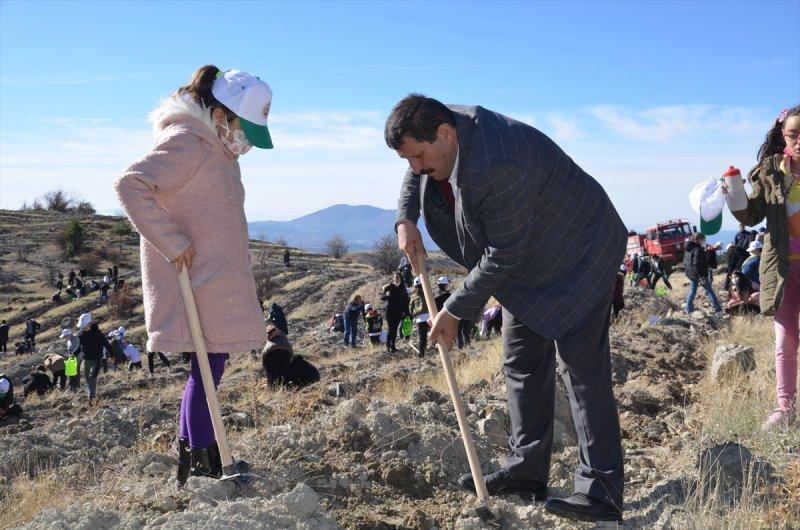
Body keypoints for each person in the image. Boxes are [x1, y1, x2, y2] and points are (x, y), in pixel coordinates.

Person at [387, 95, 626, 521]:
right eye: (409, 159)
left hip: (580, 252)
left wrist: (455, 309)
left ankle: (601, 491)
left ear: (445, 134)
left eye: (420, 156)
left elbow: (503, 253)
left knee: (581, 370)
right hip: (530, 262)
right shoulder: (438, 128)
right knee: (521, 362)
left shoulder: (500, 163)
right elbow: (414, 170)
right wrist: (405, 219)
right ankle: (526, 472)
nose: (416, 167)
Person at [115, 65, 273, 483]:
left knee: (207, 368)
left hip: (212, 280)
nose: (246, 143)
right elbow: (130, 185)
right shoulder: (189, 142)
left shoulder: (214, 148)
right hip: (195, 279)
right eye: (243, 130)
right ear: (220, 115)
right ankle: (204, 461)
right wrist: (171, 241)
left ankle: (195, 458)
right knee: (207, 368)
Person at [722, 106, 800, 429]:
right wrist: (734, 194)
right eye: (794, 134)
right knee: (785, 340)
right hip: (782, 269)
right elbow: (752, 214)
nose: (799, 140)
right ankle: (785, 409)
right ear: (783, 135)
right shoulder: (770, 171)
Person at [71, 312, 112, 402]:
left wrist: (112, 355)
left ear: (89, 323)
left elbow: (106, 343)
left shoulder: (96, 333)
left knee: (92, 377)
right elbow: (80, 347)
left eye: (84, 325)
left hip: (97, 358)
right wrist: (73, 354)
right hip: (86, 359)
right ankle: (90, 395)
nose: (82, 327)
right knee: (87, 379)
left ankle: (91, 397)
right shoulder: (81, 334)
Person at [683, 233, 723, 315]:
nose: (704, 241)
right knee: (709, 291)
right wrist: (701, 276)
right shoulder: (698, 249)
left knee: (692, 292)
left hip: (691, 274)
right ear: (699, 239)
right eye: (703, 239)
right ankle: (718, 310)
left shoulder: (688, 248)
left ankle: (688, 309)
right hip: (699, 274)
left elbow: (685, 262)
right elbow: (697, 264)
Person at [381, 272, 410, 352]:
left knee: (395, 329)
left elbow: (406, 301)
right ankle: (388, 346)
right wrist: (386, 295)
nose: (396, 279)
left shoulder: (403, 288)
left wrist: (406, 312)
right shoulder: (389, 287)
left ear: (401, 279)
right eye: (394, 277)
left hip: (399, 311)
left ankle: (393, 346)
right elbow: (382, 298)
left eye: (397, 278)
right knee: (391, 328)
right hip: (389, 311)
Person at [409, 277, 431, 357]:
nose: (419, 288)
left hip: (426, 318)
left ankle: (423, 353)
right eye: (419, 286)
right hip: (424, 319)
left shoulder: (427, 293)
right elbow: (411, 309)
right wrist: (415, 313)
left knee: (423, 337)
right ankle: (422, 353)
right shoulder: (426, 293)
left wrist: (415, 313)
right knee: (423, 337)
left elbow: (411, 309)